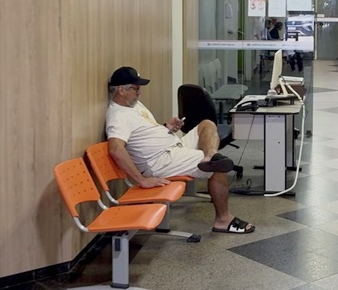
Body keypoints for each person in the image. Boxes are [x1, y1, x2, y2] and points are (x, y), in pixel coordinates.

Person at [105, 66, 255, 234]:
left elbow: (144, 134)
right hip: (161, 161)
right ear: (121, 90)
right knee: (217, 166)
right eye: (136, 88)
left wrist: (166, 127)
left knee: (206, 124)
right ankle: (223, 220)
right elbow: (116, 149)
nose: (139, 93)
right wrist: (141, 180)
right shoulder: (118, 116)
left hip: (173, 147)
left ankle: (210, 154)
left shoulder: (134, 105)